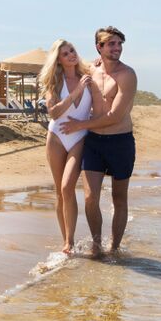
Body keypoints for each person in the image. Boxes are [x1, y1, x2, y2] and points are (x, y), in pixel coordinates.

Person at [59, 26, 137, 257]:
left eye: (119, 44)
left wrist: (79, 126)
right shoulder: (91, 69)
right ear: (99, 47)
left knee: (119, 197)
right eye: (111, 44)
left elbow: (115, 116)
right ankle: (96, 245)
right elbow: (64, 68)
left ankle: (114, 248)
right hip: (94, 142)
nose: (117, 48)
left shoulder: (128, 75)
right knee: (91, 197)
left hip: (120, 142)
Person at [40, 39, 93, 255]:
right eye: (65, 53)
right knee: (59, 193)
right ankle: (67, 242)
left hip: (79, 137)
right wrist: (76, 92)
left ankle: (70, 241)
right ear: (59, 60)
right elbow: (53, 113)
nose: (71, 55)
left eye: (72, 50)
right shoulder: (56, 82)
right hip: (56, 138)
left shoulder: (89, 77)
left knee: (67, 187)